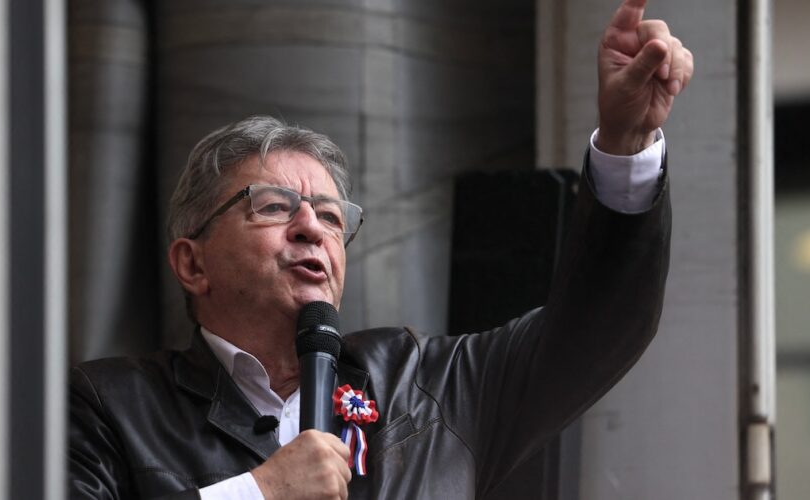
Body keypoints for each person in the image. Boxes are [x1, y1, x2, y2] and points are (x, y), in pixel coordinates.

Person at [68, 0, 694, 498]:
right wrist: (258, 494)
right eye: (275, 206)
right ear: (192, 263)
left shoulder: (425, 388)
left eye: (332, 216)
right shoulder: (108, 408)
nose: (312, 228)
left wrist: (625, 141)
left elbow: (599, 328)